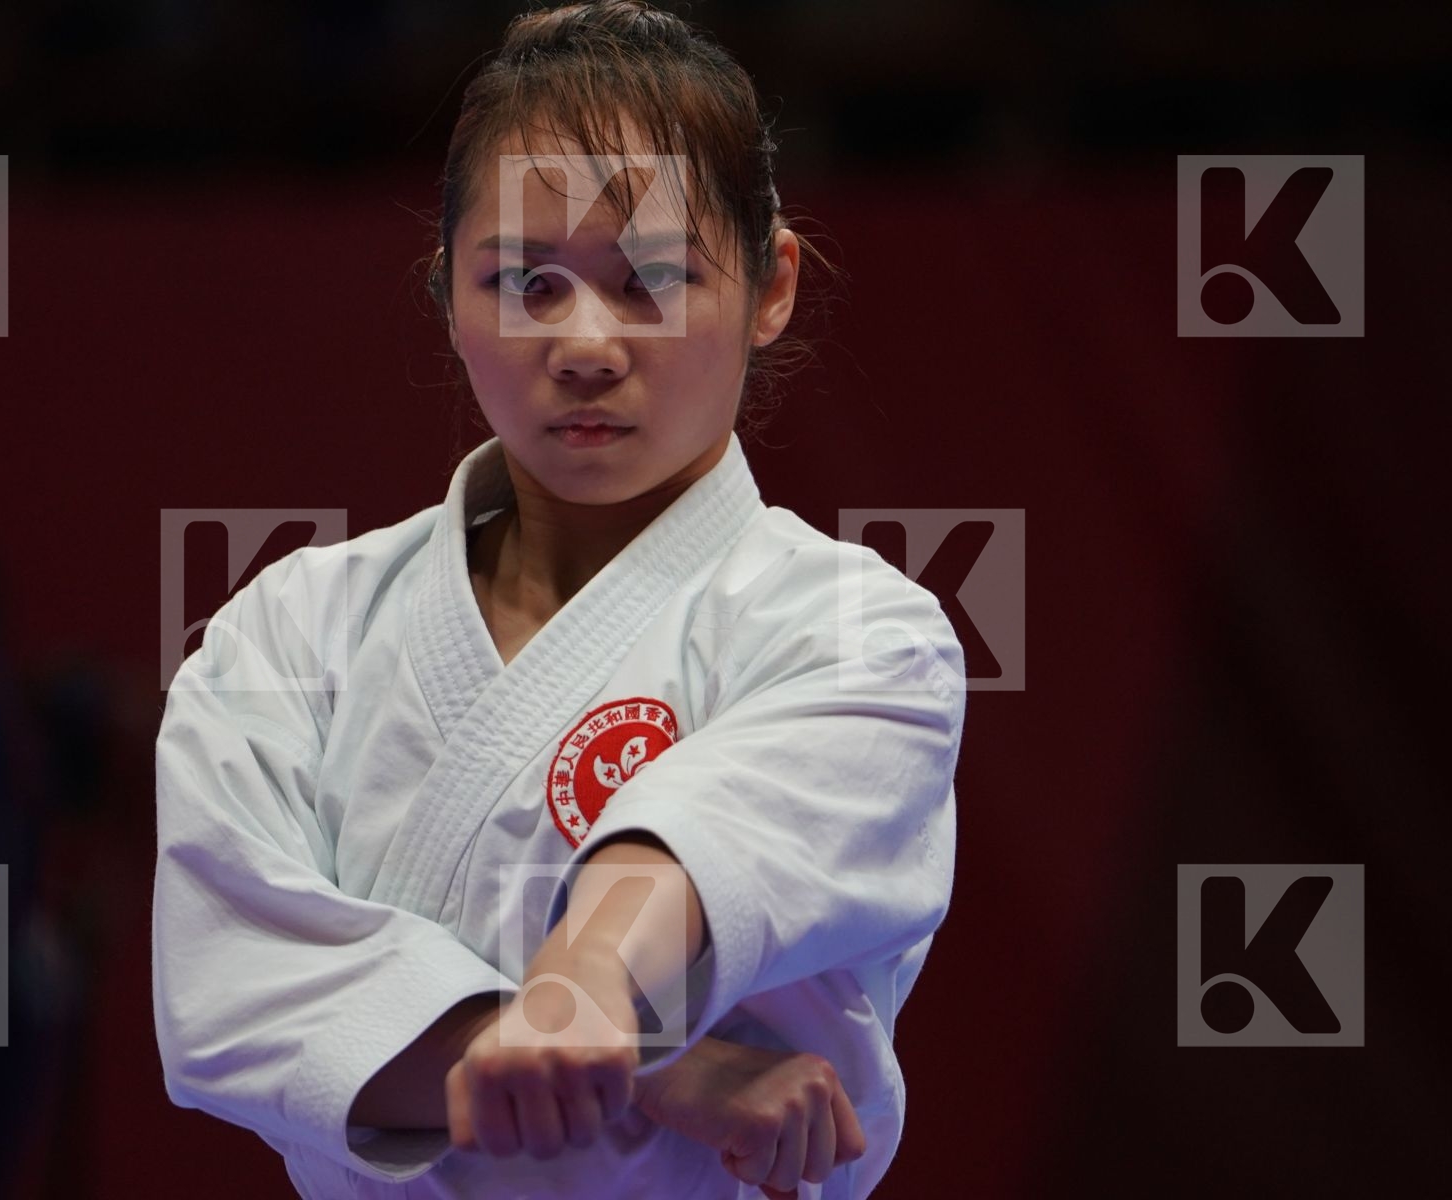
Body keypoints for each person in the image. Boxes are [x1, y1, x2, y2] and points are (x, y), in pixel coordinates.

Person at [152, 3, 966, 1197]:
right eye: (526, 281)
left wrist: (592, 986)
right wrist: (640, 1069)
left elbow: (717, 843)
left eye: (651, 281)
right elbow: (228, 994)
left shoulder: (860, 634)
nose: (585, 343)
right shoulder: (290, 632)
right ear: (446, 291)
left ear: (771, 282)